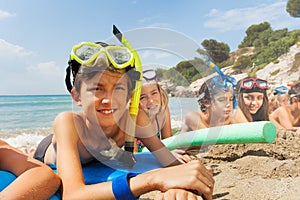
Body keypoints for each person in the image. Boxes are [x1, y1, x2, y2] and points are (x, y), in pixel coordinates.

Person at [34, 41, 214, 199]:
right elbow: (73, 195)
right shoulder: (69, 123)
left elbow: (167, 160)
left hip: (101, 157)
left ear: (129, 94)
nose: (109, 99)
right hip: (48, 152)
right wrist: (151, 180)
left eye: (118, 88)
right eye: (98, 88)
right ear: (76, 96)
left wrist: (193, 172)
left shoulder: (134, 118)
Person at [135, 69, 194, 163]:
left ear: (160, 92)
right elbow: (134, 158)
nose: (151, 101)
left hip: (156, 154)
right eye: (142, 97)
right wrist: (168, 157)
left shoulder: (162, 109)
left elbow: (168, 141)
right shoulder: (133, 117)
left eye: (154, 93)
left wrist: (174, 153)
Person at [182, 75, 247, 132]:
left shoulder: (228, 120)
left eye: (231, 99)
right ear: (206, 102)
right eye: (221, 100)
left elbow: (247, 133)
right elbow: (209, 142)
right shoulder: (193, 117)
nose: (228, 104)